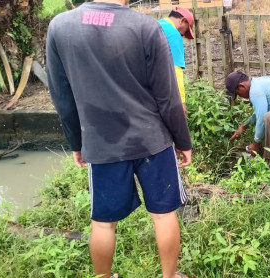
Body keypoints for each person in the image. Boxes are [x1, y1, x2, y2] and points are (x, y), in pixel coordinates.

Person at [46, 1, 191, 277]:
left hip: (102, 143)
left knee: (102, 223)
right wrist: (183, 141)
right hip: (153, 142)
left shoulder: (60, 27)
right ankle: (170, 276)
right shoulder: (146, 27)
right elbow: (167, 95)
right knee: (164, 215)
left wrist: (76, 142)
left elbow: (62, 96)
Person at [158, 7, 195, 114]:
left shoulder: (155, 25)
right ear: (182, 20)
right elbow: (176, 70)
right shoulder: (173, 33)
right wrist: (181, 101)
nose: (182, 35)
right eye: (185, 30)